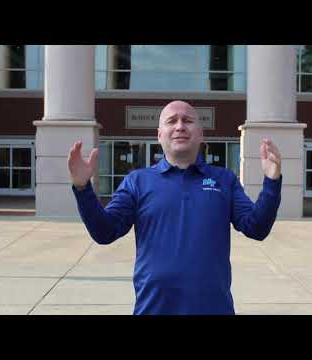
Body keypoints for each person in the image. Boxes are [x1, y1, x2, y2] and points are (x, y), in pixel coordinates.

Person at [68, 100, 282, 315]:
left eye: (188, 121)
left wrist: (272, 182)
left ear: (200, 134)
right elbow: (104, 232)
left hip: (213, 308)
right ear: (159, 135)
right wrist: (82, 188)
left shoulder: (224, 180)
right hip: (154, 308)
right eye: (172, 121)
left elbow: (256, 228)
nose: (180, 126)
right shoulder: (137, 182)